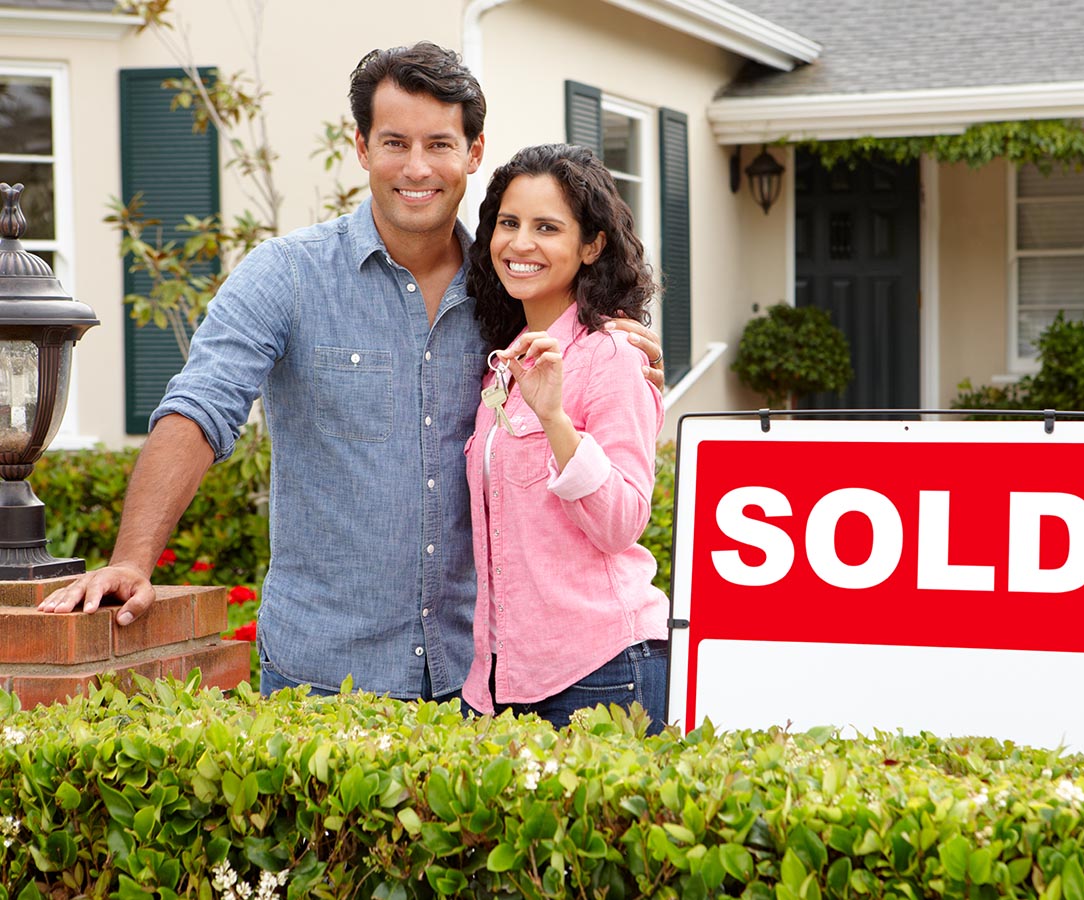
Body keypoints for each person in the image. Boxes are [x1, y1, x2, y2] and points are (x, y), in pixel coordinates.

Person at [37, 44, 664, 701]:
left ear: (474, 153)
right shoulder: (287, 275)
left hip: (476, 681)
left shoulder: (510, 290)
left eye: (440, 144)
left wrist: (615, 343)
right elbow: (200, 407)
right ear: (361, 146)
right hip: (323, 678)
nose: (417, 167)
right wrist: (133, 560)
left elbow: (588, 381)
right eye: (395, 141)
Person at [460, 144, 669, 732]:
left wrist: (556, 420)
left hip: (602, 670)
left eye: (546, 227)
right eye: (508, 223)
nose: (520, 244)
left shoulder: (614, 356)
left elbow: (621, 521)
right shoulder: (501, 365)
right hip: (500, 683)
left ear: (592, 245)